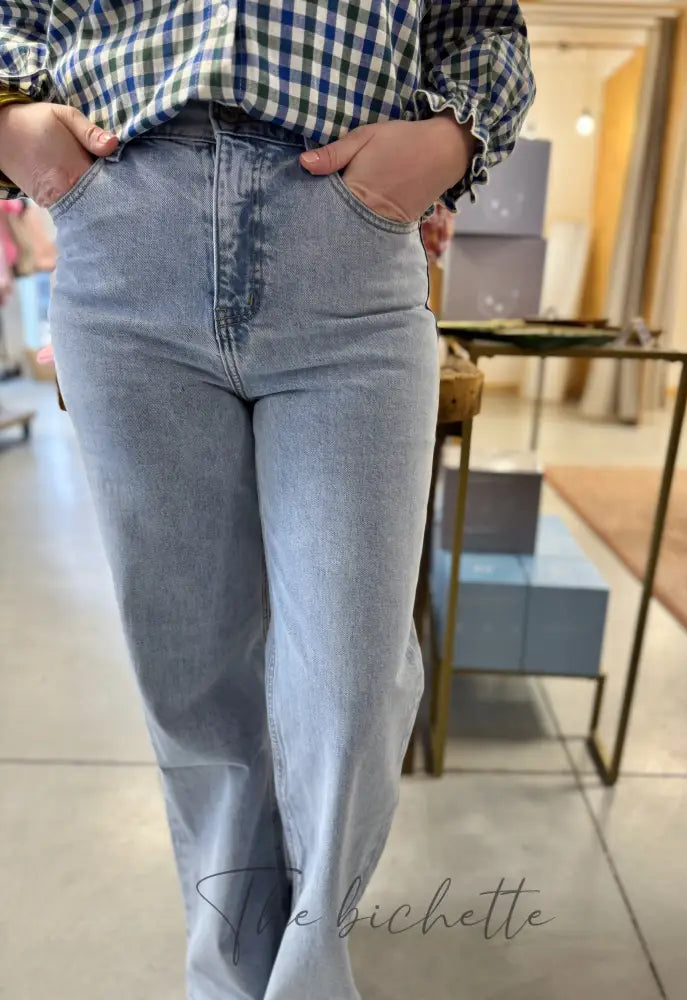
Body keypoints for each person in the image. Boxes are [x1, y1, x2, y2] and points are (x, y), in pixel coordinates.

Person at [0, 3, 535, 998]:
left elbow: (484, 26)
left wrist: (445, 144)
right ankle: (228, 977)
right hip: (127, 226)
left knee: (350, 685)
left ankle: (303, 977)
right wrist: (15, 127)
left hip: (344, 236)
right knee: (192, 674)